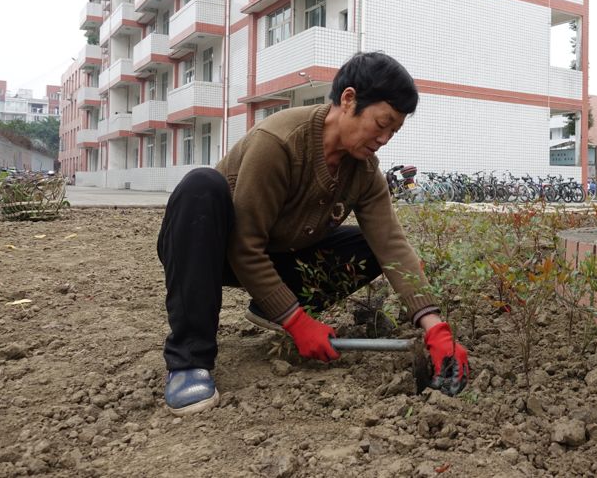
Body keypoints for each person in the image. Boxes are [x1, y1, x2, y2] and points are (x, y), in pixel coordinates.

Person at [157, 52, 470, 415]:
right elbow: (245, 246)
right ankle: (189, 361)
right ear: (349, 99)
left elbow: (393, 245)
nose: (384, 138)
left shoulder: (364, 171)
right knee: (201, 185)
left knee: (370, 246)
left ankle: (271, 306)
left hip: (280, 255)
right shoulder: (280, 142)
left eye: (393, 131)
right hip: (213, 250)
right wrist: (297, 323)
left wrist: (433, 324)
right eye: (381, 123)